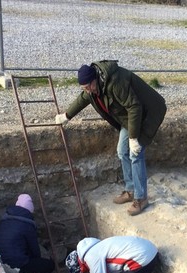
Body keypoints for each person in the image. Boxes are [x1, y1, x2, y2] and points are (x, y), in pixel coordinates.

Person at [55, 61, 167, 216]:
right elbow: (82, 99)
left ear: (95, 80)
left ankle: (141, 198)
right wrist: (66, 116)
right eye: (84, 88)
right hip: (129, 118)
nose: (87, 91)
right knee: (122, 151)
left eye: (88, 86)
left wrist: (134, 139)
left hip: (147, 112)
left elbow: (135, 106)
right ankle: (130, 190)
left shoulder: (115, 81)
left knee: (136, 154)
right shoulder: (93, 87)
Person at [0, 194, 56, 273]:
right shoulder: (27, 224)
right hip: (17, 265)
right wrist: (37, 261)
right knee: (50, 265)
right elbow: (34, 249)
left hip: (0, 263)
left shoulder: (3, 221)